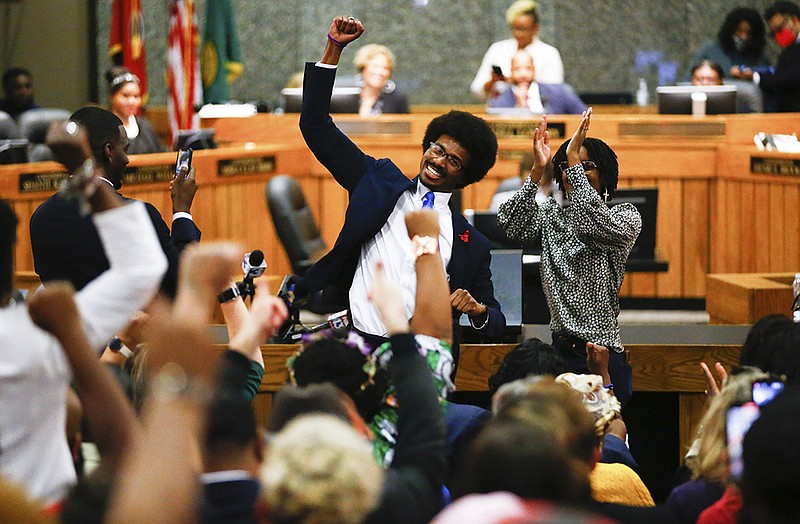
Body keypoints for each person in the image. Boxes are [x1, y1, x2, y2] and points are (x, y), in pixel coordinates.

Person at [296, 16, 505, 354]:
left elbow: (497, 318)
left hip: (425, 361)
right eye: (437, 148)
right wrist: (333, 49)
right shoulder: (376, 181)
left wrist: (478, 311)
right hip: (361, 347)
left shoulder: (472, 242)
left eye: (453, 160)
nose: (438, 161)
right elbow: (315, 125)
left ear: (465, 177)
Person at [0, 121, 167, 509]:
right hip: (43, 507)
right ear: (11, 263)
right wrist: (85, 170)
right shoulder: (44, 335)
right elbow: (142, 269)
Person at [498, 111, 641, 404]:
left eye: (586, 166)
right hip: (559, 351)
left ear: (605, 172)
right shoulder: (551, 214)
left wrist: (573, 159)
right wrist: (539, 170)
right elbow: (510, 223)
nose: (574, 171)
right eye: (567, 166)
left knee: (601, 440)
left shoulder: (625, 216)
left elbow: (590, 225)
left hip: (600, 354)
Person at [30, 106, 200, 297]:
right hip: (128, 325)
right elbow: (180, 282)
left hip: (62, 325)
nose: (127, 159)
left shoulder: (41, 217)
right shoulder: (137, 216)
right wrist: (182, 210)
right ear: (109, 151)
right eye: (124, 148)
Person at [471, 0, 564, 99]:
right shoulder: (497, 49)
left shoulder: (549, 53)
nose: (519, 34)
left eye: (524, 29)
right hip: (500, 109)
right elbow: (476, 90)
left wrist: (520, 81)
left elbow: (556, 91)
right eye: (515, 28)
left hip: (537, 111)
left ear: (535, 27)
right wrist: (493, 82)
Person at [731, 2, 800, 112]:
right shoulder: (790, 48)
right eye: (774, 33)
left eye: (780, 29)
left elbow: (789, 79)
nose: (778, 36)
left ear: (795, 20)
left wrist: (754, 77)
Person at [487, 49, 586, 114]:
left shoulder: (559, 93)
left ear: (534, 70)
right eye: (517, 69)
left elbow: (585, 116)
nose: (523, 74)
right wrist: (520, 105)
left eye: (528, 68)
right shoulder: (499, 102)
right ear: (511, 71)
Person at [687, 8, 770, 81]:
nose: (743, 36)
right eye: (739, 31)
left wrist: (752, 76)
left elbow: (768, 83)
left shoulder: (760, 57)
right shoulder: (710, 51)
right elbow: (690, 79)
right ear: (730, 30)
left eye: (748, 33)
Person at [105, 66, 166, 154]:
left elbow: (162, 156)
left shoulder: (145, 127)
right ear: (112, 97)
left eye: (136, 96)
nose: (132, 101)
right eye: (125, 96)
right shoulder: (103, 129)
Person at [353, 44, 409, 116]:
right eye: (375, 66)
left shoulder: (398, 99)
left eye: (385, 68)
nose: (380, 72)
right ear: (363, 69)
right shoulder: (348, 96)